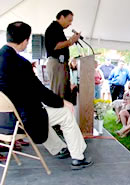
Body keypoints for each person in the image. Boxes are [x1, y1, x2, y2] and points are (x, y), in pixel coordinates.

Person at [0, 22, 92, 170]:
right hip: (20, 121)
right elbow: (40, 91)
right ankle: (78, 157)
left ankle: (59, 148)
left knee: (43, 112)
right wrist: (63, 103)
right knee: (65, 114)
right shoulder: (21, 63)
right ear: (26, 40)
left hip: (3, 122)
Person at [45, 9, 80, 100]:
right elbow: (55, 46)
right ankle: (59, 113)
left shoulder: (58, 29)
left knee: (63, 92)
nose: (70, 24)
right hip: (57, 63)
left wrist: (70, 42)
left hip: (61, 63)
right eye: (69, 20)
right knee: (58, 93)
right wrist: (71, 41)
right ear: (61, 17)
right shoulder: (53, 28)